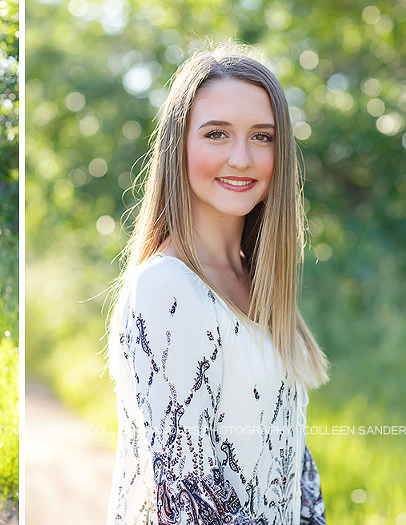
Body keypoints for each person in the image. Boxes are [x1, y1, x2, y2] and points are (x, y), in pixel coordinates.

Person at [106, 47, 329, 524]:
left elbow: (292, 464)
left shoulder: (257, 281)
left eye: (262, 137)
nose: (242, 158)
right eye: (217, 134)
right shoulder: (167, 288)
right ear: (178, 145)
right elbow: (186, 496)